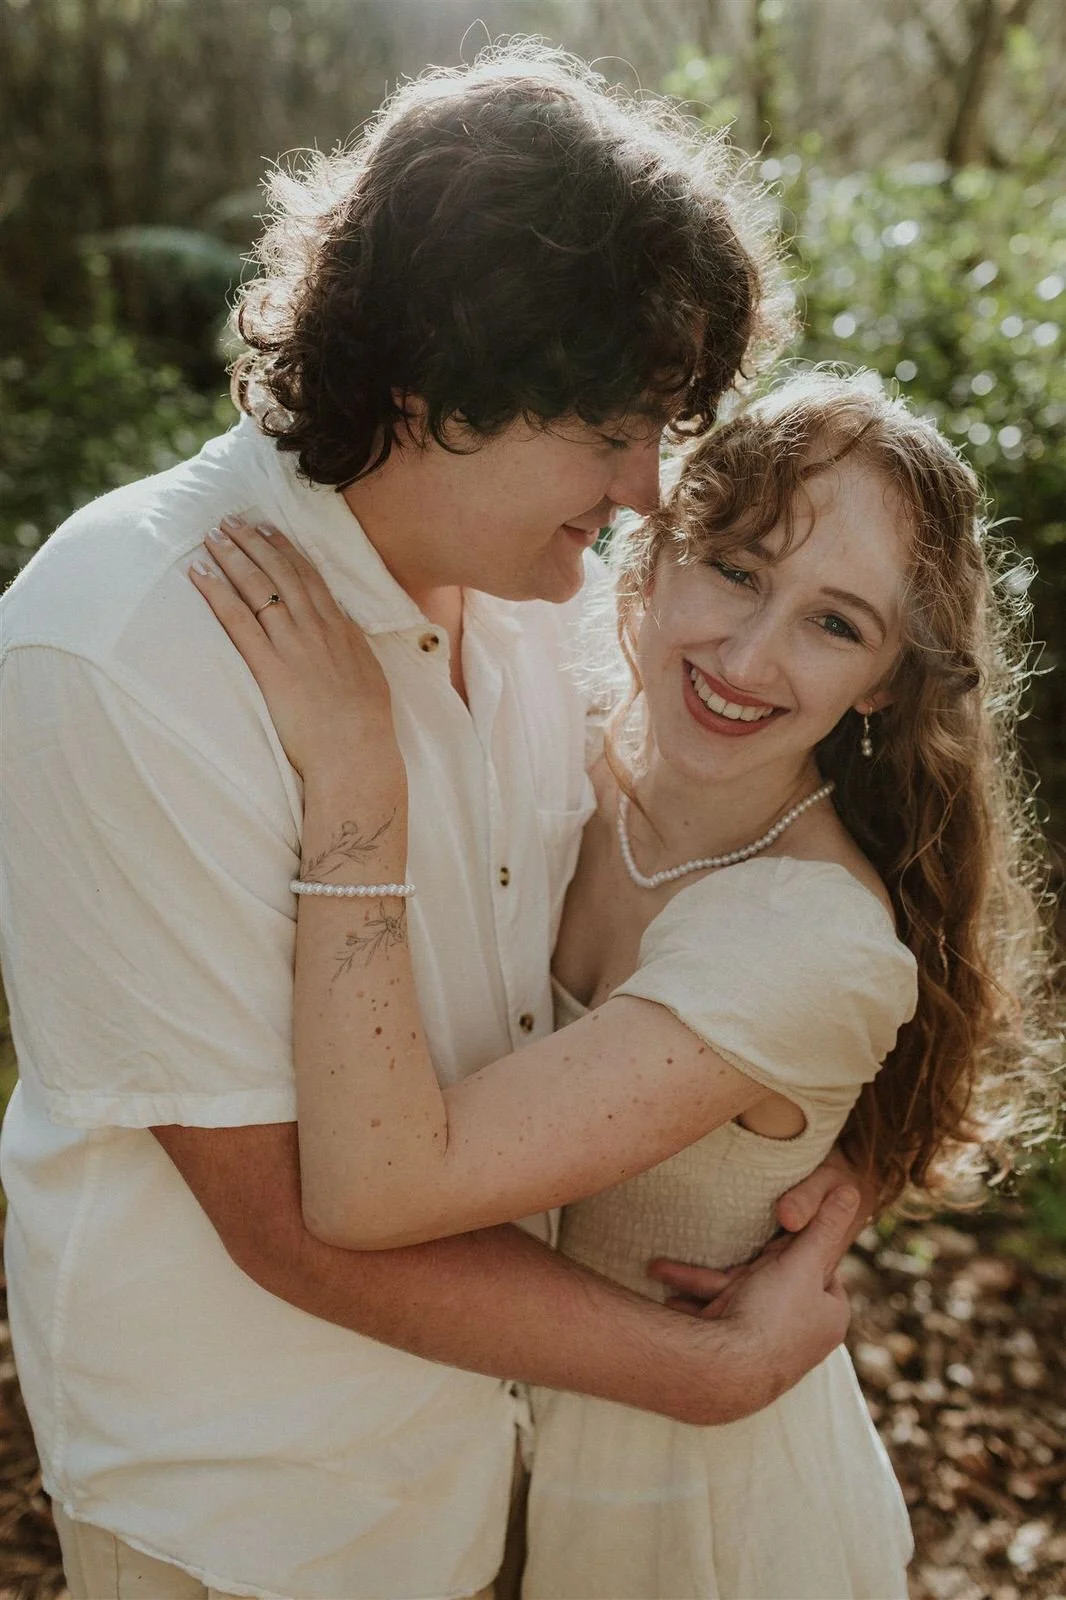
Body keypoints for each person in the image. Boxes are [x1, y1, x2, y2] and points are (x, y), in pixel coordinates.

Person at [0, 45, 862, 1600]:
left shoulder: (553, 598)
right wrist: (706, 1370)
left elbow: (735, 901)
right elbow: (283, 1215)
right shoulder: (123, 643)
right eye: (608, 429)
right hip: (254, 1515)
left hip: (522, 1463)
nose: (647, 490)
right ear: (430, 375)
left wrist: (816, 1146)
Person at [191, 371, 1059, 1599]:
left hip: (698, 1523)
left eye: (835, 624)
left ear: (881, 682)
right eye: (738, 569)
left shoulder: (808, 935)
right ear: (655, 550)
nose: (747, 657)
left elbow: (378, 1184)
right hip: (468, 1474)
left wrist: (352, 773)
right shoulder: (554, 729)